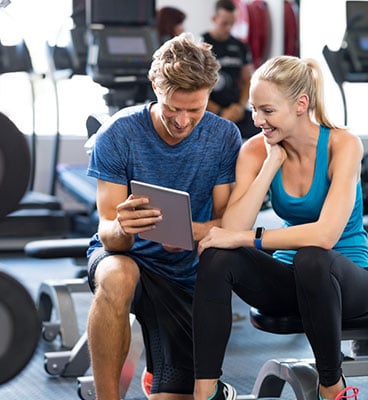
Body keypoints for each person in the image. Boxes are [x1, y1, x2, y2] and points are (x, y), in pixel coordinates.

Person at [192, 55, 368, 400]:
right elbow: (231, 230)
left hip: (347, 281)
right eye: (254, 110)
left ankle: (331, 387)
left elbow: (325, 235)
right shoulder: (255, 150)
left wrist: (247, 238)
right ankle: (206, 391)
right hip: (288, 280)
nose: (258, 120)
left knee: (312, 256)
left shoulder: (343, 144)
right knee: (218, 255)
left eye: (267, 111)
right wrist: (269, 166)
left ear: (300, 104)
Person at [85, 33, 242, 400]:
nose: (184, 120)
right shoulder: (119, 134)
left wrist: (192, 232)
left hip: (186, 272)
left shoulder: (223, 137)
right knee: (118, 274)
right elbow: (107, 231)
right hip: (128, 258)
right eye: (174, 107)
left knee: (175, 394)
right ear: (156, 85)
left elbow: (228, 222)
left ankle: (163, 377)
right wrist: (123, 227)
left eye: (196, 109)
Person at [202, 0, 260, 139]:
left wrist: (240, 107)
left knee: (261, 130)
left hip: (235, 109)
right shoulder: (201, 44)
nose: (229, 28)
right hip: (209, 110)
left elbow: (248, 80)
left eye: (232, 23)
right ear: (214, 19)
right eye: (224, 23)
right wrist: (220, 111)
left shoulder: (240, 46)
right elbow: (194, 86)